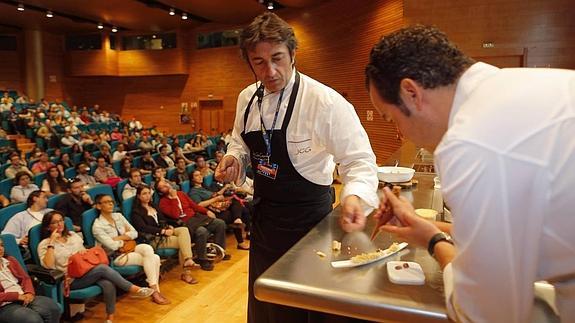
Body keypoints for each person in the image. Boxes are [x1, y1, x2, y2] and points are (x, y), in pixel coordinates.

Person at [365, 25, 575, 323]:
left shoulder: (470, 142)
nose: (400, 133)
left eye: (392, 119)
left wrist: (436, 244)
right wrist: (431, 230)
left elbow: (486, 315)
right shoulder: (525, 84)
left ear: (411, 93)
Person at [215, 12, 378, 323]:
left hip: (310, 224)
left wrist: (355, 196)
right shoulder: (247, 98)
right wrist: (234, 158)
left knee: (307, 309)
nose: (270, 70)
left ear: (293, 53)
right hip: (264, 222)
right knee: (268, 305)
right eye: (258, 62)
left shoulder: (325, 102)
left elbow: (359, 161)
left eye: (277, 58)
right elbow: (239, 141)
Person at [38, 211, 154, 323]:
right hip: (70, 280)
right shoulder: (44, 244)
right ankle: (133, 289)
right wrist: (52, 242)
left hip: (86, 271)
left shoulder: (72, 235)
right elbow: (48, 265)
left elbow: (83, 251)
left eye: (61, 220)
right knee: (102, 269)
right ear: (48, 227)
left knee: (107, 283)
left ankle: (110, 318)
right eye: (54, 222)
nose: (59, 224)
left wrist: (84, 252)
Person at [92, 194, 169, 305]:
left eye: (111, 201)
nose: (110, 204)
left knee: (148, 248)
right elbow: (112, 246)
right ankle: (156, 291)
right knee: (155, 258)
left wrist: (119, 238)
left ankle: (153, 290)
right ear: (99, 206)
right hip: (117, 256)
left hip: (131, 247)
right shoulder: (98, 226)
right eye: (106, 202)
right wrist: (126, 237)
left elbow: (134, 233)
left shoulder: (118, 216)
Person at [130, 186, 198, 284]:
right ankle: (186, 272)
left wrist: (168, 226)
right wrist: (163, 231)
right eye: (144, 194)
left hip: (164, 232)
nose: (147, 196)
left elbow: (163, 219)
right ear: (138, 196)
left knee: (184, 230)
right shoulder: (136, 212)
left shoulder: (153, 206)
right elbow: (143, 228)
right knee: (183, 243)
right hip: (154, 238)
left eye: (149, 193)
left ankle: (188, 259)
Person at [155, 180, 227, 271]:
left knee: (219, 223)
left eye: (166, 183)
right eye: (163, 186)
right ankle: (202, 259)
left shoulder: (181, 194)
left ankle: (219, 251)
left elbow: (194, 206)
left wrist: (207, 211)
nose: (167, 186)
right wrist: (173, 198)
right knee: (201, 231)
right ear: (160, 191)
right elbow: (175, 215)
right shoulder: (163, 202)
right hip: (184, 222)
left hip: (195, 217)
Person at [0, 236, 61, 323]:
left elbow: (25, 278)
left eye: (1, 245)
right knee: (33, 320)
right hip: (5, 305)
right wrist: (16, 296)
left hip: (24, 296)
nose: (0, 249)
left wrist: (29, 292)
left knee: (53, 308)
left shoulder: (10, 260)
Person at [189, 170, 249, 250]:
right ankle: (241, 240)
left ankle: (239, 221)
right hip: (211, 212)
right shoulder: (194, 192)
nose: (200, 176)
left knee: (238, 204)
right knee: (235, 213)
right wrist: (215, 199)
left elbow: (216, 194)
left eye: (200, 174)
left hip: (220, 206)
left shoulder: (205, 187)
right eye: (196, 175)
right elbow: (199, 205)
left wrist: (222, 193)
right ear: (192, 180)